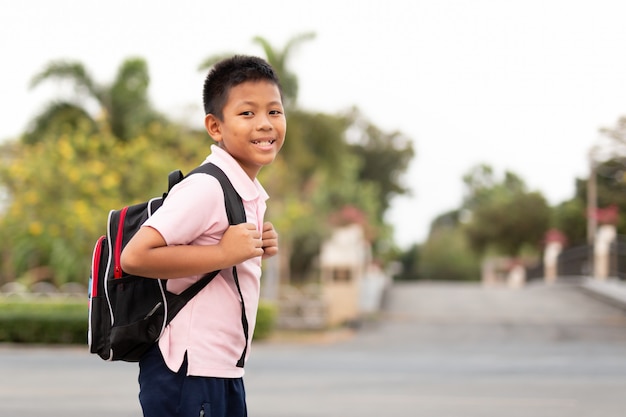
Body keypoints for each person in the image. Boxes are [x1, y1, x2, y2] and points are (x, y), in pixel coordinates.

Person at [120, 55, 286, 417]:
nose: (265, 124)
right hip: (188, 370)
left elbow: (216, 256)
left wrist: (254, 249)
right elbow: (135, 256)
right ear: (215, 126)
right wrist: (225, 254)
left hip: (221, 368)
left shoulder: (245, 191)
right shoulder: (207, 187)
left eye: (274, 112)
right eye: (247, 113)